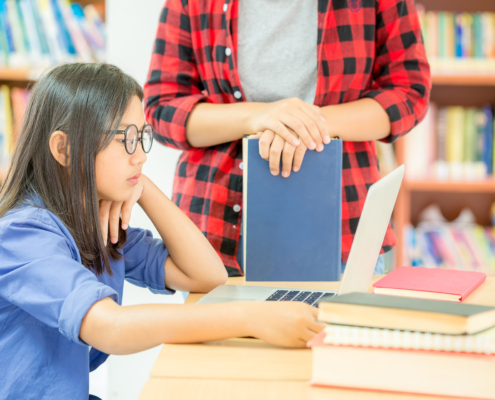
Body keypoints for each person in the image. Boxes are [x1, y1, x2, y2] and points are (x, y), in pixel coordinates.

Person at [0, 63, 325, 400]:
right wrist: (251, 318)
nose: (140, 155)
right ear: (63, 149)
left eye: (141, 136)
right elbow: (109, 326)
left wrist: (146, 190)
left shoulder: (98, 220)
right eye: (125, 138)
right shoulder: (22, 235)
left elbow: (207, 276)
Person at [144, 0, 431, 277]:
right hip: (216, 231)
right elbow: (162, 107)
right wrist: (258, 116)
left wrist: (305, 123)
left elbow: (409, 90)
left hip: (344, 226)